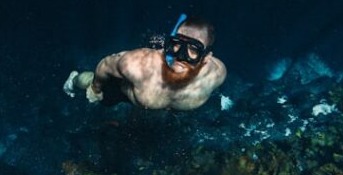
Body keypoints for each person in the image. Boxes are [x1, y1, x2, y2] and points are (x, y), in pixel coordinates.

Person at [64, 14, 226, 111]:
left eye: (193, 50)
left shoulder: (216, 74)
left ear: (206, 58)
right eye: (176, 44)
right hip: (125, 91)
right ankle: (73, 80)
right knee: (90, 84)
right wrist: (95, 88)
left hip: (158, 100)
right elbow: (106, 64)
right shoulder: (136, 65)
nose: (180, 56)